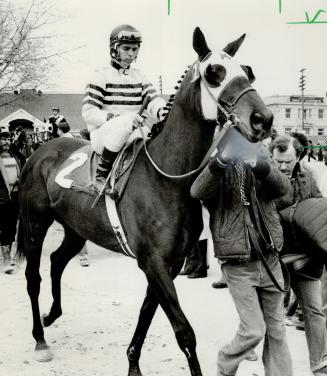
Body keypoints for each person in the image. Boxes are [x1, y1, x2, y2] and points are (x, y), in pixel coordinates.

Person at [190, 127, 293, 376]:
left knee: (277, 330)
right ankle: (226, 364)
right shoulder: (215, 165)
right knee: (254, 330)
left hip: (269, 259)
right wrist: (221, 162)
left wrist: (259, 163)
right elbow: (197, 191)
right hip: (238, 264)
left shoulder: (261, 158)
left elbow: (283, 189)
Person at [82, 24, 166, 193]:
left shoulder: (139, 76)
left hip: (132, 133)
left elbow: (154, 100)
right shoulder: (100, 76)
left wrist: (165, 111)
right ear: (114, 49)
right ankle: (100, 176)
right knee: (126, 122)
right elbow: (89, 113)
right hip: (103, 136)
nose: (131, 54)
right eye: (126, 48)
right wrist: (116, 118)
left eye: (135, 49)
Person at [271, 134, 327, 376]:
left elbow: (315, 209)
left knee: (314, 310)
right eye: (278, 161)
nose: (282, 166)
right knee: (270, 314)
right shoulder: (266, 178)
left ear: (299, 157)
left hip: (306, 255)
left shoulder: (309, 176)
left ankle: (320, 364)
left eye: (288, 161)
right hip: (276, 255)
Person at [0, 130, 25, 273]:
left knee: (11, 227)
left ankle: (7, 258)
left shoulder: (14, 156)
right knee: (4, 227)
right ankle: (5, 260)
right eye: (3, 139)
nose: (6, 142)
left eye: (8, 139)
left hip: (14, 197)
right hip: (1, 199)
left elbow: (22, 165)